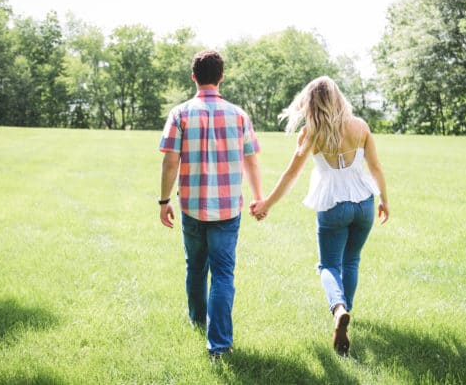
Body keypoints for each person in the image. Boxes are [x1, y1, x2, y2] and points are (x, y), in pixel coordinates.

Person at [250, 76, 389, 356]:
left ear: (311, 102)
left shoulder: (311, 133)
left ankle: (339, 309)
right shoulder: (360, 126)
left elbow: (291, 174)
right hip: (363, 203)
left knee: (327, 266)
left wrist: (266, 203)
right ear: (338, 98)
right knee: (351, 261)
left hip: (332, 206)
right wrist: (385, 199)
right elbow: (376, 167)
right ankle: (343, 315)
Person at [158, 50, 263, 358]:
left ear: (194, 77)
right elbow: (252, 162)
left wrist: (164, 200)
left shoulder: (180, 114)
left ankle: (197, 321)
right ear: (221, 77)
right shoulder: (239, 115)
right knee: (222, 274)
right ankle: (218, 345)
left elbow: (169, 162)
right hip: (228, 208)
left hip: (191, 205)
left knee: (195, 266)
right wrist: (258, 197)